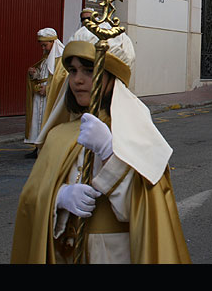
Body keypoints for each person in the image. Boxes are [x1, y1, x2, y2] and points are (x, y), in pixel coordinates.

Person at [11, 26, 190, 264]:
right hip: (65, 253)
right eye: (72, 70)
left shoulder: (136, 133)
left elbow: (146, 209)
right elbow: (30, 198)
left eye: (89, 70)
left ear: (112, 76)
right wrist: (58, 198)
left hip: (113, 254)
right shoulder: (58, 135)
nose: (77, 80)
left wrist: (109, 152)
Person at [25, 28, 64, 158]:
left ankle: (48, 148)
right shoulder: (46, 57)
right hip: (40, 96)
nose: (43, 48)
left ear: (53, 42)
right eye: (41, 45)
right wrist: (34, 74)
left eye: (45, 45)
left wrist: (47, 89)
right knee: (37, 122)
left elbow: (61, 80)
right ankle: (37, 147)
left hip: (50, 97)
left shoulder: (60, 59)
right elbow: (43, 74)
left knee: (47, 121)